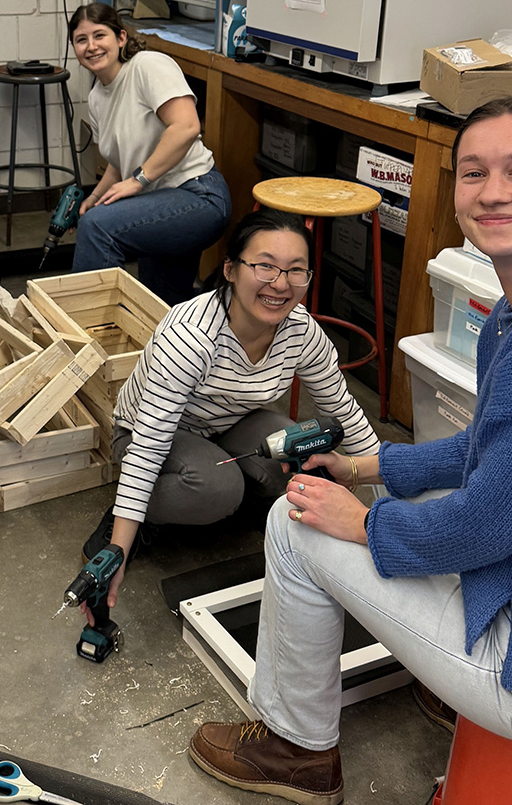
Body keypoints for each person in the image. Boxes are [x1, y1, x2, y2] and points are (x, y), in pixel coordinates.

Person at [186, 94, 512, 805]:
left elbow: (484, 526)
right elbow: (493, 451)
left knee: (294, 523)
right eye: (473, 173)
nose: (492, 191)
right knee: (400, 498)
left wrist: (361, 521)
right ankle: (444, 688)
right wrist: (364, 469)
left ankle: (296, 748)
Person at [80, 209, 381, 622]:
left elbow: (342, 412)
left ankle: (230, 498)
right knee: (216, 489)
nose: (280, 284)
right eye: (265, 267)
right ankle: (134, 516)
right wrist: (118, 548)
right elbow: (149, 444)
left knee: (297, 451)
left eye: (296, 270)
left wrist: (386, 509)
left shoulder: (301, 333)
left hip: (226, 425)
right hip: (145, 434)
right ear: (231, 270)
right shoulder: (192, 335)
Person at [68, 3, 231, 305]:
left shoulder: (147, 65)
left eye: (99, 36)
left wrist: (138, 181)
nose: (91, 46)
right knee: (162, 304)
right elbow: (120, 164)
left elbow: (186, 126)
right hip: (157, 202)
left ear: (120, 38)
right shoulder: (96, 98)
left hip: (199, 195)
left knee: (98, 227)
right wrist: (93, 199)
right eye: (81, 40)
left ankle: (87, 334)